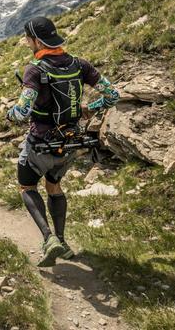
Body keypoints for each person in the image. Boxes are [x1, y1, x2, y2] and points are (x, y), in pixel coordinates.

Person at [7, 16, 120, 267]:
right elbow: (112, 94)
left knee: (27, 187)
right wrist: (90, 107)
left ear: (37, 41)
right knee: (54, 187)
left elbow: (22, 112)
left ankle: (49, 239)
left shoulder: (35, 70)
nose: (26, 43)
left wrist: (10, 113)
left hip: (40, 143)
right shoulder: (80, 65)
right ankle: (62, 241)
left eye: (28, 39)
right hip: (69, 144)